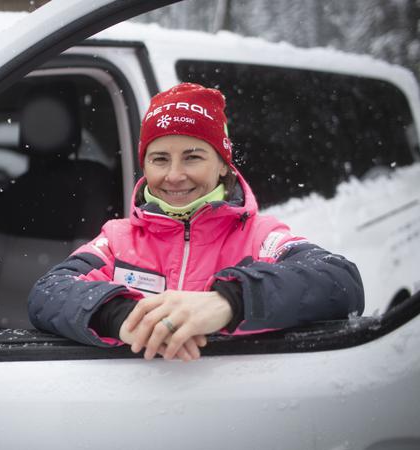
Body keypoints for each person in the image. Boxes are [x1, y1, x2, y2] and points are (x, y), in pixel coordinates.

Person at [28, 82, 364, 361]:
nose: (174, 176)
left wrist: (229, 300)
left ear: (223, 165)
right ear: (145, 166)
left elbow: (340, 281)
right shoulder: (118, 239)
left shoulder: (260, 237)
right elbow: (48, 292)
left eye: (192, 157)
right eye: (160, 159)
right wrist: (122, 315)